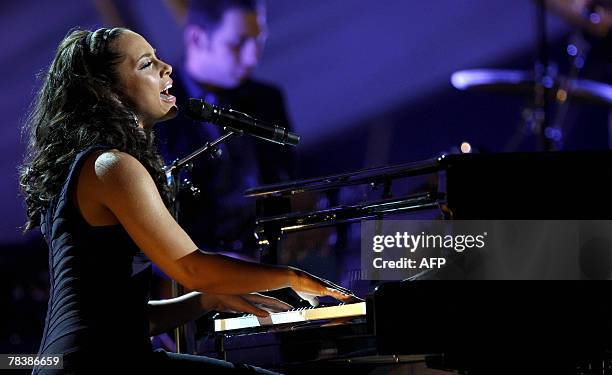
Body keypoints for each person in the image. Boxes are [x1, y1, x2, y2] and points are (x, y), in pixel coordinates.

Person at [19, 27, 357, 374]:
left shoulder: (100, 167)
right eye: (147, 64)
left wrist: (204, 299)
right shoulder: (112, 166)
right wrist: (292, 277)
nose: (167, 68)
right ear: (106, 92)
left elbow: (121, 320)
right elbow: (192, 268)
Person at [154, 0, 295, 257]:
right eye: (239, 42)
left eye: (258, 41)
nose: (253, 56)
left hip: (271, 263)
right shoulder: (155, 112)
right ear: (197, 38)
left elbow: (289, 179)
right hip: (196, 273)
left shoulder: (267, 99)